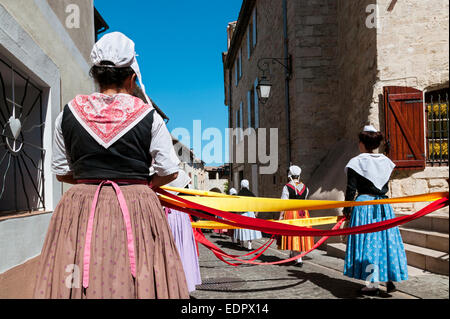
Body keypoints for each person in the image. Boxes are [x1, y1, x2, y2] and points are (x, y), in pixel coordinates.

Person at [34, 32, 189, 299]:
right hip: (137, 205)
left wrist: (89, 180)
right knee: (141, 276)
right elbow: (169, 170)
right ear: (131, 77)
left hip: (81, 206)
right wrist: (141, 184)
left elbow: (61, 171)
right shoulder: (149, 116)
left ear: (95, 75)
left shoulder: (67, 114)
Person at [343, 125, 408, 295]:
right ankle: (389, 278)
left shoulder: (356, 162)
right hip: (383, 207)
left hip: (364, 207)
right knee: (385, 242)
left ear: (362, 143)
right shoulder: (386, 162)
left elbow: (351, 189)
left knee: (368, 244)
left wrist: (346, 211)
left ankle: (371, 285)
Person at [164, 171, 202, 294]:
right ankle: (184, 282)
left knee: (173, 250)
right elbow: (191, 202)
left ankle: (173, 284)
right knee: (183, 251)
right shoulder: (180, 175)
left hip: (168, 216)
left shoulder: (164, 174)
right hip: (181, 217)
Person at [278, 165, 314, 267]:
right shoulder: (305, 188)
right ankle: (294, 256)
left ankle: (298, 259)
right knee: (300, 234)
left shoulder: (287, 187)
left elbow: (283, 204)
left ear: (290, 174)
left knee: (293, 235)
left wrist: (280, 216)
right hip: (303, 213)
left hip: (291, 213)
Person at [233, 180, 262, 250]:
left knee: (242, 229)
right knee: (250, 229)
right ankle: (249, 244)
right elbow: (256, 203)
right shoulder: (251, 194)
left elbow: (236, 205)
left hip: (242, 214)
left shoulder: (239, 194)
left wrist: (237, 213)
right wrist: (256, 212)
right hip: (250, 213)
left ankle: (242, 244)